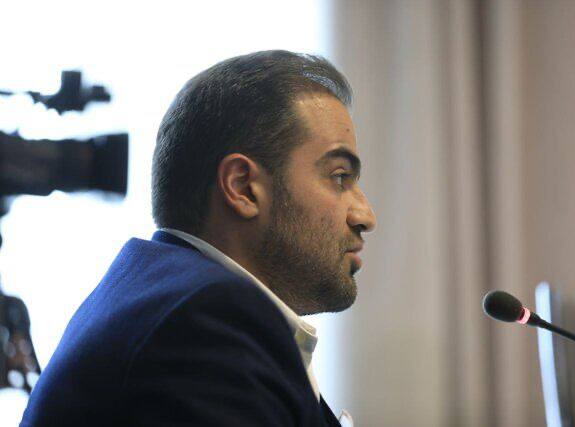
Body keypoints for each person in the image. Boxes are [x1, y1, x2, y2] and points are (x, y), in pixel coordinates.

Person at [20, 50, 376, 426]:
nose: (365, 216)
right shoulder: (206, 322)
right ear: (243, 187)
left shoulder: (160, 295)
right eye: (340, 177)